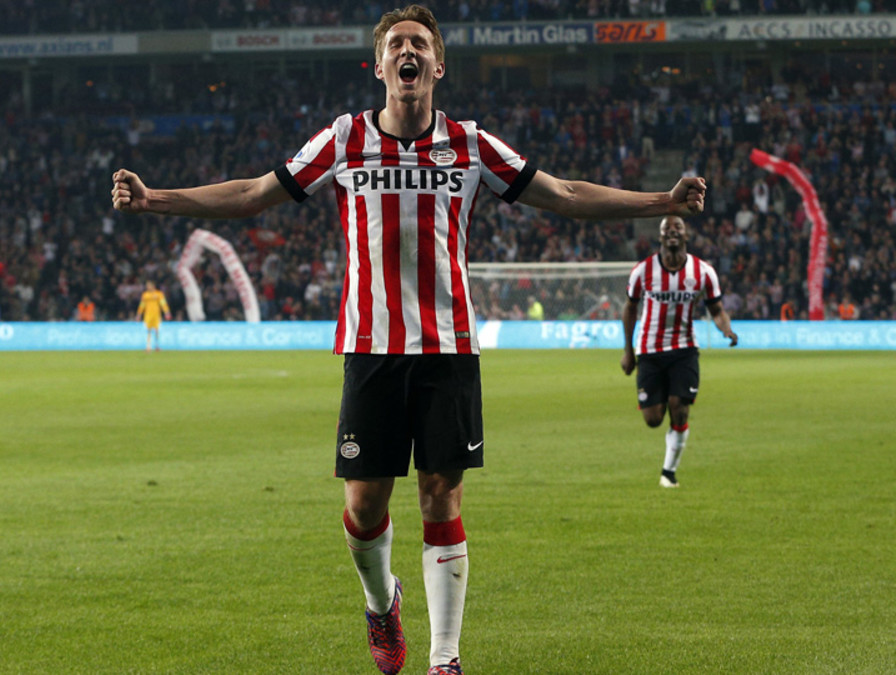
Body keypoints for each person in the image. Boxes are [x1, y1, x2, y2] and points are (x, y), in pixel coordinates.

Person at [112, 6, 706, 673]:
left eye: (420, 43)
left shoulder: (471, 144)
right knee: (364, 506)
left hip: (448, 348)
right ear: (379, 66)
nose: (408, 51)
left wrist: (662, 202)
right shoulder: (344, 139)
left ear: (438, 65)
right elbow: (253, 193)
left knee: (440, 494)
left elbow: (565, 193)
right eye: (396, 43)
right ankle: (381, 601)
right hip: (370, 346)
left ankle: (444, 657)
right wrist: (156, 198)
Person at [621, 216, 737, 489]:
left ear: (686, 236)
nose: (672, 232)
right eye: (667, 229)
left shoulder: (703, 272)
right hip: (649, 350)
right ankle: (667, 437)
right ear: (660, 237)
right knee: (653, 419)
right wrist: (628, 351)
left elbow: (717, 309)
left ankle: (669, 473)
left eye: (678, 228)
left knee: (679, 409)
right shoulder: (643, 271)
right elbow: (630, 308)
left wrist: (726, 329)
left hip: (684, 349)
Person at [136, 280, 171, 351]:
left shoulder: (159, 294)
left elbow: (163, 304)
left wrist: (167, 312)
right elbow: (142, 305)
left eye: (149, 285)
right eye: (147, 286)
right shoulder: (145, 295)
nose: (147, 287)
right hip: (148, 315)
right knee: (148, 330)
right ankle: (148, 346)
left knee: (157, 330)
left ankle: (157, 345)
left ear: (153, 286)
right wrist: (139, 314)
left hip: (156, 315)